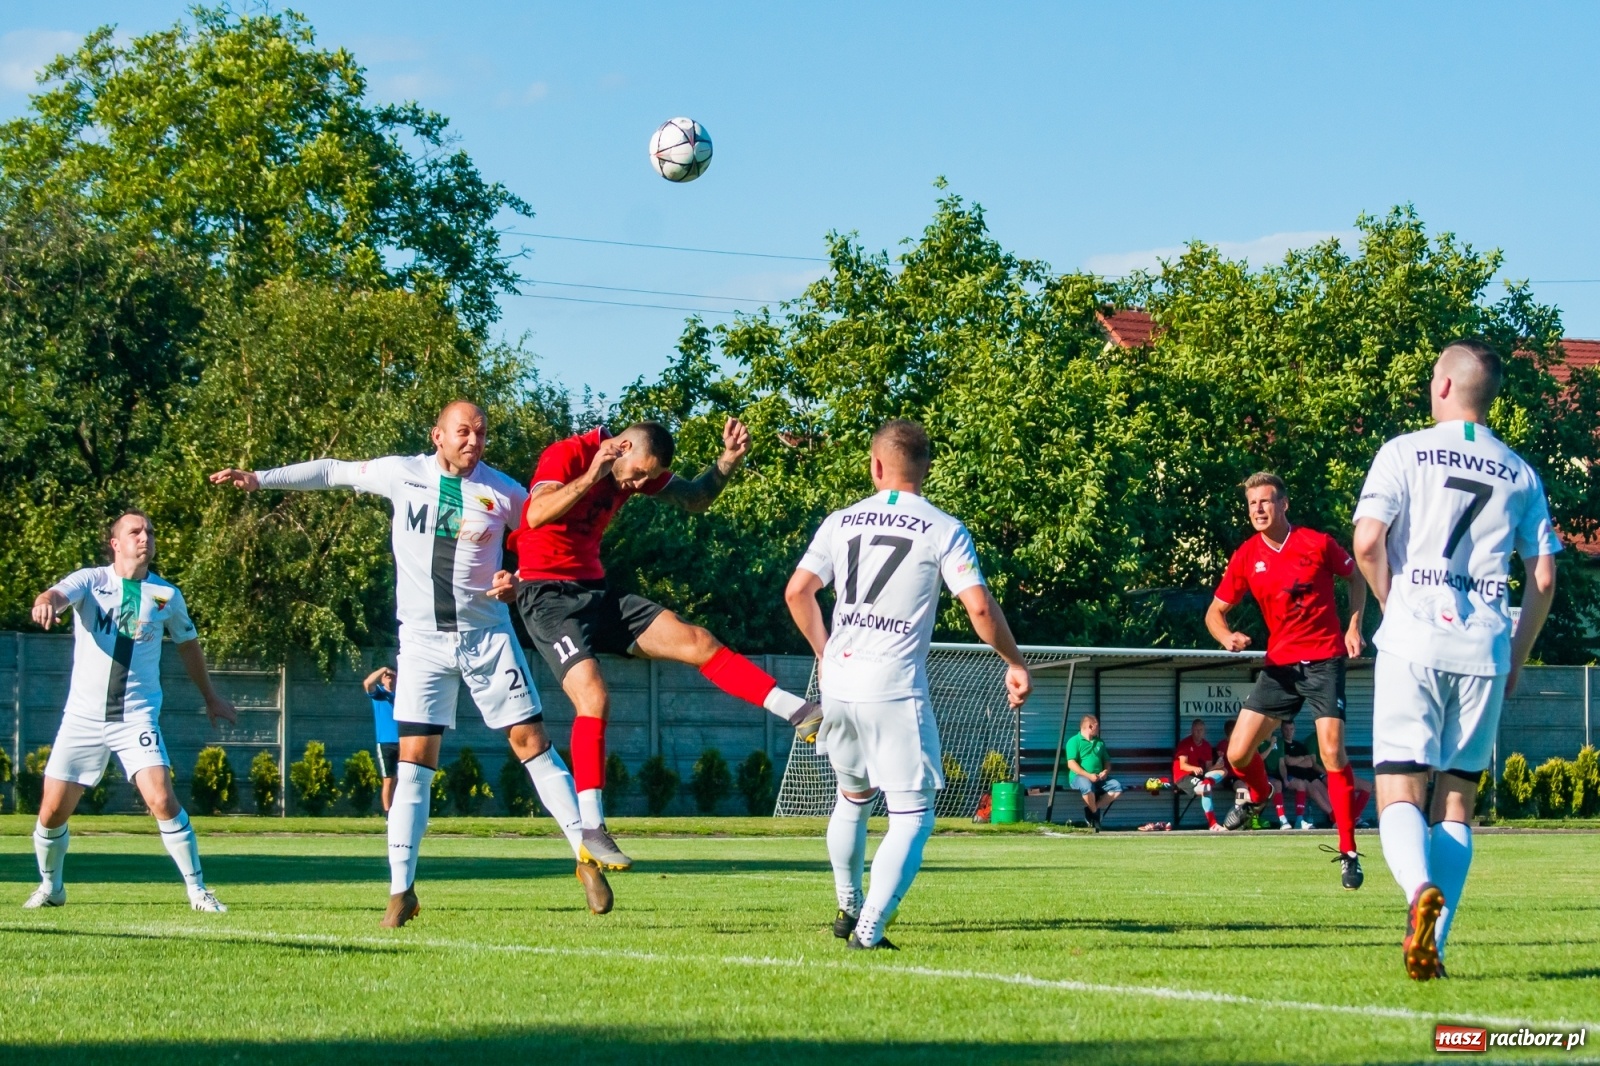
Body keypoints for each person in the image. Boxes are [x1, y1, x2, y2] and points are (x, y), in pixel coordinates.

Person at [211, 401, 610, 925]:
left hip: (485, 636)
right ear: (438, 436)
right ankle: (401, 891)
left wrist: (518, 583)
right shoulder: (403, 474)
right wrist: (260, 479)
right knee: (413, 764)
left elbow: (542, 533)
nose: (473, 441)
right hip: (421, 643)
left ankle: (584, 856)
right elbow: (333, 471)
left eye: (481, 433)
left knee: (529, 743)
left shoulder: (504, 491)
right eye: (463, 431)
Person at [490, 418, 820, 871]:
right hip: (546, 598)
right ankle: (592, 828)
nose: (640, 484)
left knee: (697, 640)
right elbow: (534, 513)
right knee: (595, 696)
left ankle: (798, 712)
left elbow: (694, 498)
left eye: (647, 477)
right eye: (638, 473)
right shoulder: (568, 454)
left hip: (596, 593)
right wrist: (594, 475)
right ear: (620, 447)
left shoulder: (634, 467)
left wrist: (726, 462)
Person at [1352, 339, 1560, 980]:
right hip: (1485, 648)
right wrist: (1517, 654)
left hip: (1415, 638)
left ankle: (1418, 894)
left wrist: (1392, 605)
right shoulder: (1521, 473)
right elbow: (1545, 577)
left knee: (1398, 791)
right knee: (1456, 804)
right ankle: (1434, 945)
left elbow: (1366, 543)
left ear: (1443, 386)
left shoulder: (1402, 452)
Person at [785, 419, 1031, 949]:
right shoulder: (943, 528)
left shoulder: (840, 521)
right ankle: (870, 928)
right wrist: (1014, 660)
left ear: (876, 466)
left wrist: (824, 653)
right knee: (913, 816)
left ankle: (848, 904)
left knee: (852, 797)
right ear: (926, 467)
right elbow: (980, 607)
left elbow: (797, 593)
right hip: (893, 685)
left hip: (841, 681)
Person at [25, 511, 237, 912]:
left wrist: (210, 696)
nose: (145, 538)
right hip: (83, 718)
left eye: (150, 532)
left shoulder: (165, 595)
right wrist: (44, 603)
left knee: (161, 798)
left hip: (135, 716)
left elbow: (187, 644)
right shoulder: (92, 580)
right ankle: (51, 887)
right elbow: (55, 595)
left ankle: (198, 891)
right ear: (116, 544)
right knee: (51, 812)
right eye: (135, 532)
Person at [1205, 472, 1369, 889]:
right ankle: (1258, 796)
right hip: (1280, 667)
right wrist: (1227, 637)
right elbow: (1214, 613)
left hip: (1324, 661)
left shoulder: (1317, 543)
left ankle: (1348, 851)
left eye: (1265, 501)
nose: (1257, 509)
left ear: (1283, 504)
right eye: (1251, 504)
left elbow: (1356, 577)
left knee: (1331, 752)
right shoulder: (1245, 556)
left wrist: (1353, 627)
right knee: (1238, 755)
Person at [1064, 715, 1124, 831]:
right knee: (1087, 786)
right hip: (1079, 777)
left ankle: (1092, 809)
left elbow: (1107, 762)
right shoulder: (1074, 741)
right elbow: (1071, 764)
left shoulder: (1099, 742)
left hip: (1099, 778)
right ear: (1090, 726)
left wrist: (1105, 771)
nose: (1099, 729)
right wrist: (1088, 776)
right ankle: (1095, 815)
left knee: (1118, 787)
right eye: (1097, 726)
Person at [1172, 718, 1224, 829]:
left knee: (1224, 771)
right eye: (1196, 730)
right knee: (1206, 789)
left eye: (1201, 730)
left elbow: (1208, 768)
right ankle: (1213, 824)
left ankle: (1206, 783)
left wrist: (1217, 766)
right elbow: (1183, 765)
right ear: (1191, 730)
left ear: (1204, 731)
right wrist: (1194, 768)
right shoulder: (1185, 744)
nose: (1198, 732)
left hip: (1199, 777)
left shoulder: (1206, 745)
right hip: (1183, 776)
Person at [1278, 718, 1328, 830]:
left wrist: (1296, 761)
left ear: (1295, 730)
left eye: (1291, 729)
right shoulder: (1281, 744)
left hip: (1308, 775)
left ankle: (1336, 816)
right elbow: (1288, 762)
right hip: (1293, 777)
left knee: (1322, 788)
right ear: (1281, 730)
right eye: (1286, 729)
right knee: (1308, 787)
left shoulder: (1299, 745)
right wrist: (1301, 759)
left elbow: (1310, 763)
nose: (1289, 732)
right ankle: (1300, 820)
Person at [364, 665, 400, 812]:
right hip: (386, 742)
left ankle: (403, 813)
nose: (390, 679)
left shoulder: (401, 694)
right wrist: (383, 669)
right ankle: (388, 815)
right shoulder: (379, 693)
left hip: (403, 742)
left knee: (404, 780)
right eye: (387, 677)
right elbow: (367, 683)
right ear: (382, 679)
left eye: (392, 677)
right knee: (389, 780)